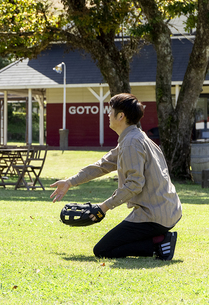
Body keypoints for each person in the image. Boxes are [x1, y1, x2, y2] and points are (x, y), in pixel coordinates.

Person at [50, 93, 182, 260]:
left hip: (154, 215)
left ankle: (159, 243)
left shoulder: (132, 142)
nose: (108, 114)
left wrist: (104, 207)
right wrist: (70, 182)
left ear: (121, 116)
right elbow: (102, 165)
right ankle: (157, 240)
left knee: (103, 250)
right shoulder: (134, 138)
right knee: (111, 245)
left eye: (110, 111)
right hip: (167, 210)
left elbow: (134, 184)